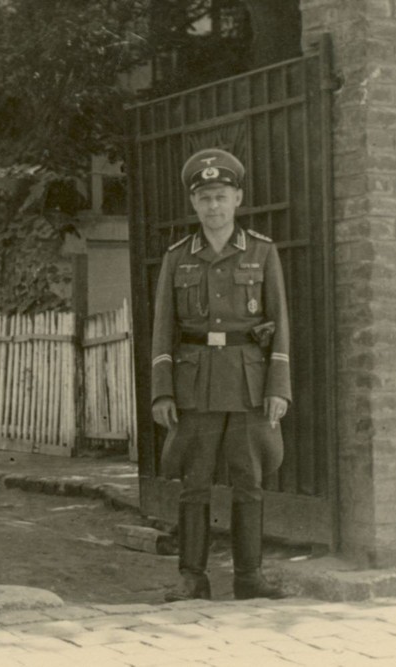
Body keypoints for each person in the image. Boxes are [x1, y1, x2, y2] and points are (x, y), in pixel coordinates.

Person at [150, 148, 291, 602]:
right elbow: (162, 330)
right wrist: (162, 393)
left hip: (249, 383)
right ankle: (193, 578)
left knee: (249, 481)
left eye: (222, 196)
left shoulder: (262, 252)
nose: (214, 206)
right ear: (194, 203)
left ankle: (249, 577)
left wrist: (278, 388)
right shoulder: (177, 259)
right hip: (196, 386)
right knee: (195, 484)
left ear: (238, 199)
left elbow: (281, 323)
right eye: (205, 197)